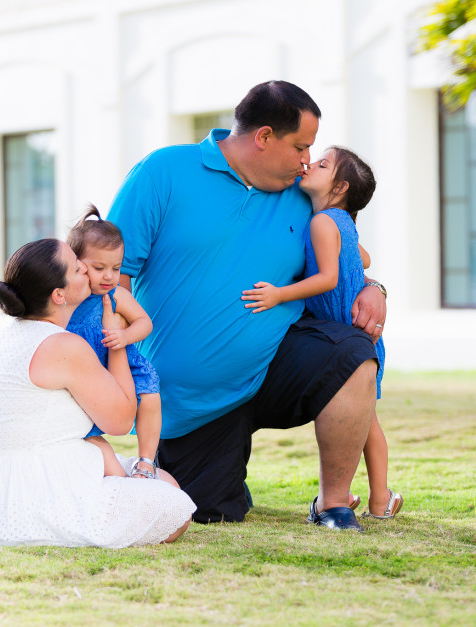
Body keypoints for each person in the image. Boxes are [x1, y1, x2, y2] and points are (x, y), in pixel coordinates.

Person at [107, 80, 387, 531]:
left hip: (275, 364)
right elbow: (109, 273)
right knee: (211, 512)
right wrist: (119, 362)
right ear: (263, 137)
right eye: (300, 146)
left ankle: (334, 504)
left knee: (352, 352)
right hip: (191, 398)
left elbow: (344, 259)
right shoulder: (163, 172)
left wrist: (376, 289)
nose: (305, 160)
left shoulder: (303, 195)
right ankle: (211, 471)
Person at [0, 238, 195, 547]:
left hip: (4, 492)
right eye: (77, 268)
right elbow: (120, 421)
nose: (86, 269)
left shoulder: (10, 336)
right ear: (59, 294)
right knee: (176, 509)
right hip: (43, 494)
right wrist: (115, 336)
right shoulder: (63, 346)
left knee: (165, 482)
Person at [241, 146, 403, 520]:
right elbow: (363, 259)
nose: (310, 163)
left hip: (344, 336)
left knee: (366, 423)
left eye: (322, 164)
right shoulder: (341, 221)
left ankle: (375, 498)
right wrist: (361, 281)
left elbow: (327, 278)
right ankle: (380, 499)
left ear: (340, 186)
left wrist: (279, 293)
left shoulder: (321, 223)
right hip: (358, 334)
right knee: (369, 422)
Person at [66, 205, 162, 480]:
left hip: (122, 362)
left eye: (116, 268)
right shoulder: (70, 295)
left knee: (150, 398)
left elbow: (144, 322)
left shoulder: (118, 294)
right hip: (86, 367)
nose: (109, 276)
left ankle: (146, 460)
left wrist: (125, 336)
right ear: (77, 263)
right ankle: (86, 455)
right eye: (99, 268)